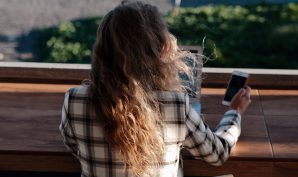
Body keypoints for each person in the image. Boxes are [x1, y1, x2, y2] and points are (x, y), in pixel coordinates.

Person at [59, 1, 251, 177]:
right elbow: (217, 154)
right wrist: (234, 113)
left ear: (102, 49)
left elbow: (72, 144)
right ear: (159, 50)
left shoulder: (75, 100)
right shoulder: (175, 105)